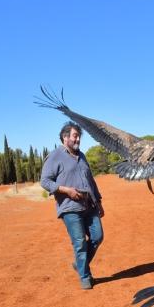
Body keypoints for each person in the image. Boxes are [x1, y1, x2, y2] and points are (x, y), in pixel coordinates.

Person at [41, 121, 104, 289]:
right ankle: (85, 276)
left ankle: (79, 264)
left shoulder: (82, 156)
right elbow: (45, 181)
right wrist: (66, 190)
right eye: (75, 136)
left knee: (98, 236)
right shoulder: (55, 156)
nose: (78, 140)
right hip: (69, 207)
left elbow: (91, 180)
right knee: (79, 242)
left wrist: (98, 201)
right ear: (65, 137)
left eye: (79, 137)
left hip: (89, 205)